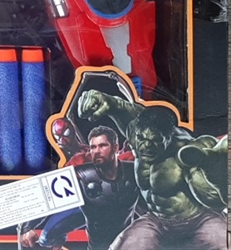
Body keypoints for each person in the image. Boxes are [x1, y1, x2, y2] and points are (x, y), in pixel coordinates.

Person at [78, 91, 227, 250]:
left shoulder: (186, 151)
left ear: (169, 137)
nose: (147, 146)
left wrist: (213, 169)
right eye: (142, 139)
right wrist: (109, 101)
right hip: (157, 222)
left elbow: (214, 199)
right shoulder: (137, 134)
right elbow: (123, 108)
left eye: (155, 140)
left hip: (199, 221)